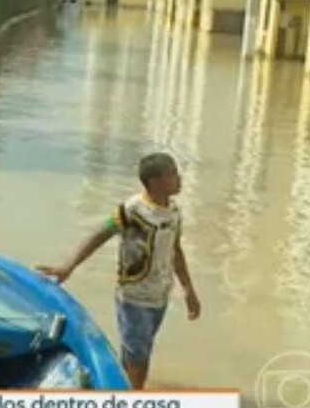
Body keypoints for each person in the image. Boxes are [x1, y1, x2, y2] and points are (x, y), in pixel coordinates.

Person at [36, 152, 201, 389]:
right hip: (133, 298)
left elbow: (175, 249)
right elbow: (98, 236)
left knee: (138, 351)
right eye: (173, 174)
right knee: (139, 358)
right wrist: (67, 267)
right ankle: (131, 407)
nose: (179, 178)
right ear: (155, 182)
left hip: (159, 296)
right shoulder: (131, 210)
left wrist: (188, 288)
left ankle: (122, 388)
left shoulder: (174, 212)